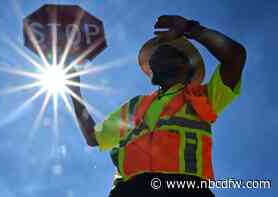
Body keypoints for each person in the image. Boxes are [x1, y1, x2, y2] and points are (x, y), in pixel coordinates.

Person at [68, 15, 246, 197]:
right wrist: (74, 90)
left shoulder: (203, 97)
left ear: (185, 65)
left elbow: (235, 56)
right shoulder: (134, 105)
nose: (153, 58)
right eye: (154, 56)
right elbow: (93, 137)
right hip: (128, 191)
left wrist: (192, 29)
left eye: (164, 52)